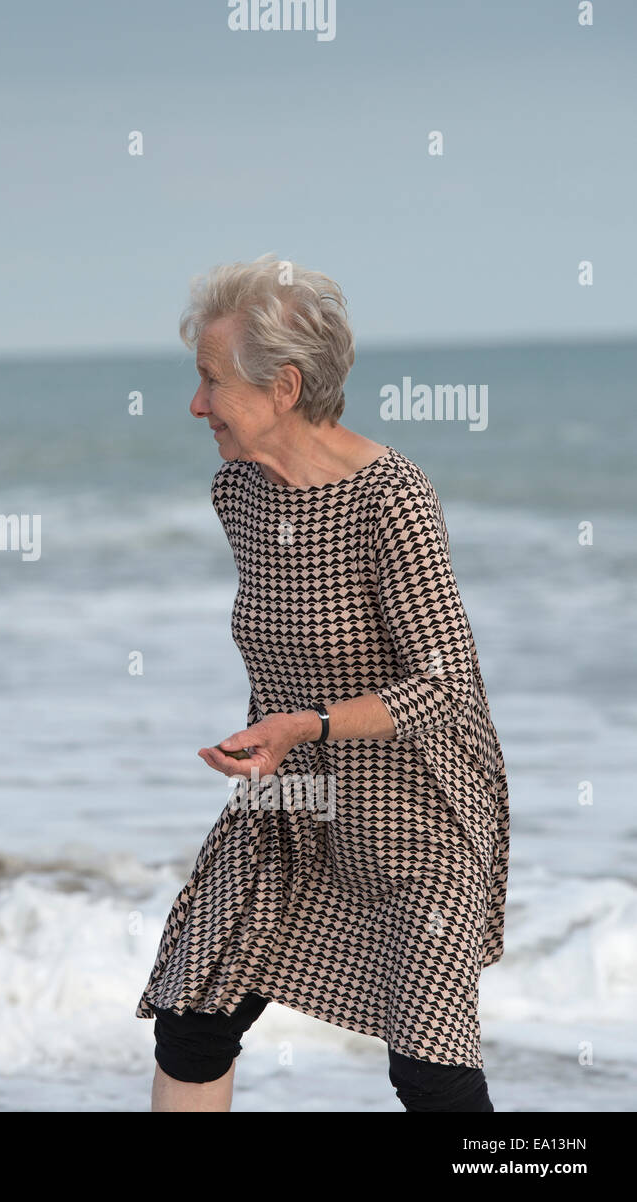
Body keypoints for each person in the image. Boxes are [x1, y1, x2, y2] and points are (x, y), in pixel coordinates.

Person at [138, 254, 508, 1113]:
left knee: (430, 1075)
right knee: (192, 1014)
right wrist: (270, 739)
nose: (196, 405)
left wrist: (305, 724)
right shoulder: (240, 493)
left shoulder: (393, 498)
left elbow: (447, 687)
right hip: (290, 797)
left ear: (284, 387)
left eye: (210, 382)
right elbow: (285, 651)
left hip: (418, 810)